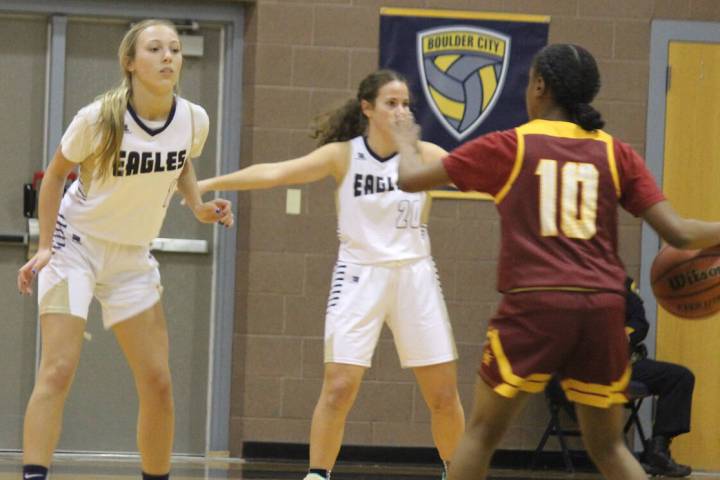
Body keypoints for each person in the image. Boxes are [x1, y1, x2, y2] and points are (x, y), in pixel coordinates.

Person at [391, 43, 720, 480]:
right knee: (608, 447)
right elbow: (679, 232)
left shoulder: (511, 145)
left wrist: (405, 140)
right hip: (603, 309)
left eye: (529, 81)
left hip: (536, 303)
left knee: (481, 434)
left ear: (541, 86)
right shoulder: (617, 153)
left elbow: (411, 179)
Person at [197, 69, 464, 480]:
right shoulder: (344, 155)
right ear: (367, 107)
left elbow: (484, 171)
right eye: (391, 103)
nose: (401, 110)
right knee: (338, 387)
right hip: (359, 274)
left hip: (415, 275)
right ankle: (318, 475)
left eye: (407, 104)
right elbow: (276, 172)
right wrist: (207, 183)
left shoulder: (425, 154)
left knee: (444, 395)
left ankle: (458, 471)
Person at [16, 19, 234, 480]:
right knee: (57, 370)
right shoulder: (97, 119)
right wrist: (43, 245)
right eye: (155, 49)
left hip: (132, 257)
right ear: (130, 63)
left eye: (175, 49)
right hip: (73, 245)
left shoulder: (194, 119)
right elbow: (55, 175)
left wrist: (196, 206)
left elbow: (182, 163)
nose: (169, 57)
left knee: (158, 383)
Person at [625, 277, 694, 477]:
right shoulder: (574, 284)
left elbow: (639, 322)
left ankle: (657, 451)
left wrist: (626, 334)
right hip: (587, 366)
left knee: (680, 377)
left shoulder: (620, 284)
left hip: (625, 363)